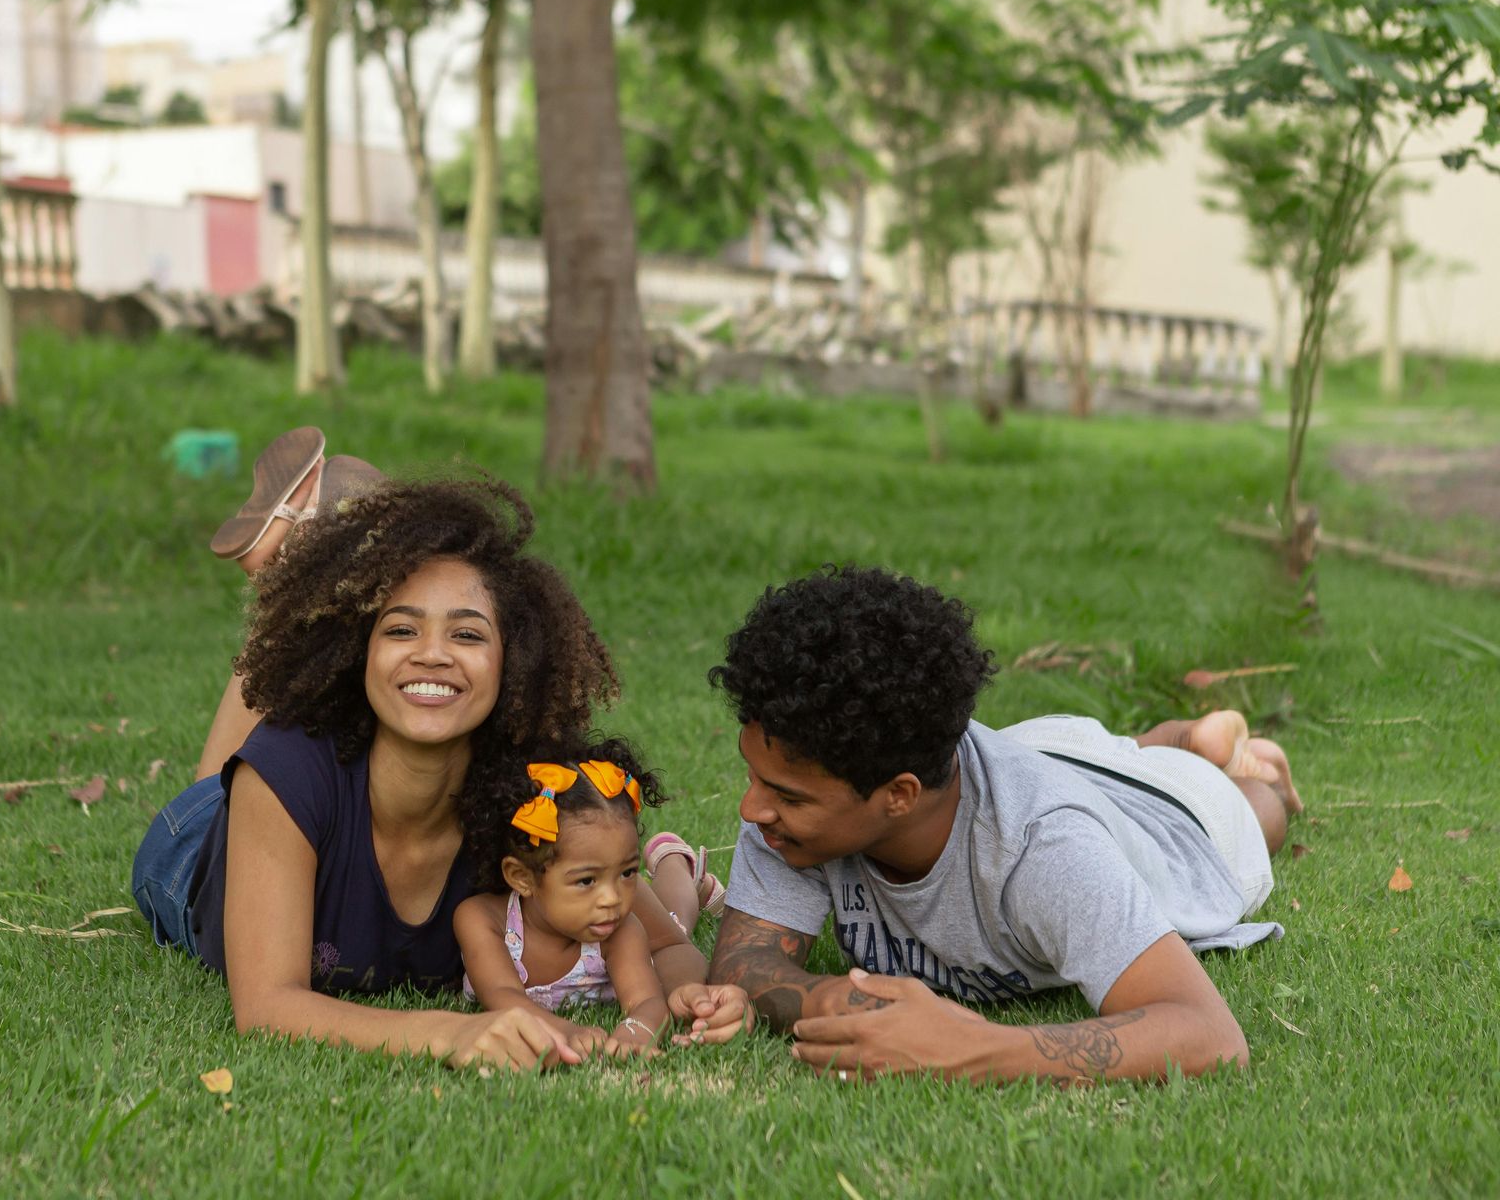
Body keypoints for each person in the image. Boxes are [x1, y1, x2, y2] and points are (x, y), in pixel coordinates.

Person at [133, 437, 741, 1069]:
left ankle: (310, 550)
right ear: (358, 652)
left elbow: (670, 947)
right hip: (194, 848)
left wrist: (693, 1000)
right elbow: (266, 1007)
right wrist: (449, 1033)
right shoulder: (285, 771)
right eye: (400, 628)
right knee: (222, 783)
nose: (432, 653)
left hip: (289, 788)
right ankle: (283, 589)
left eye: (468, 634)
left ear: (514, 658)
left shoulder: (532, 792)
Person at [680, 565, 1304, 1085]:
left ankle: (1219, 756)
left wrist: (972, 1048)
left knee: (1258, 812)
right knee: (1080, 763)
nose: (750, 809)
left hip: (1175, 815)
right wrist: (820, 998)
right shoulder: (794, 811)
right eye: (754, 779)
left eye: (783, 794)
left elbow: (1210, 1035)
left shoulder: (1045, 848)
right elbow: (743, 960)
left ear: (897, 796)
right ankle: (1161, 740)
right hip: (1036, 750)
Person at [456, 736, 751, 1058]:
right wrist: (567, 1033)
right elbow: (502, 995)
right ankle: (676, 865)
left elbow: (647, 1002)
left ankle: (676, 865)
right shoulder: (484, 920)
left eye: (627, 872)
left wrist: (637, 1031)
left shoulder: (620, 928)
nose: (612, 898)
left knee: (674, 926)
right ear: (522, 877)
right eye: (586, 880)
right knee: (672, 916)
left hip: (657, 927)